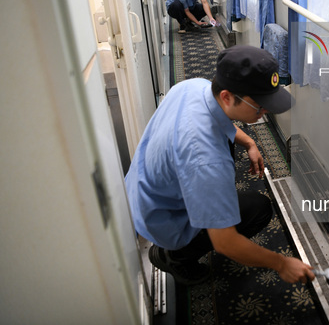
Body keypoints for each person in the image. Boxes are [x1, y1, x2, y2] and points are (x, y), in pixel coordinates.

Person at [125, 45, 314, 286]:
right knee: (260, 209)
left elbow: (213, 117)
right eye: (260, 106)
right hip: (161, 220)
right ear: (227, 96)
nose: (265, 112)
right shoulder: (206, 159)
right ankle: (174, 256)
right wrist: (281, 263)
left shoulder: (192, 86)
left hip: (140, 190)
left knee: (224, 155)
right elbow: (226, 243)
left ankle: (199, 217)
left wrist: (248, 141)